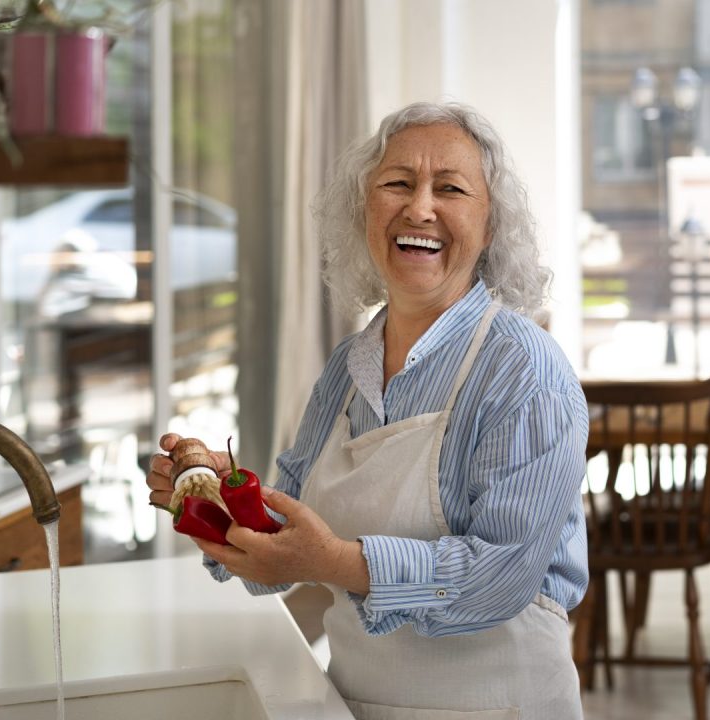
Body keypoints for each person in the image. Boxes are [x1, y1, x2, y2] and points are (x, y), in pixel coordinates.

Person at [147, 101, 589, 720]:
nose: (420, 208)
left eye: (451, 189)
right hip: (354, 705)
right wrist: (219, 503)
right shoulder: (346, 371)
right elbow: (276, 556)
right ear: (363, 211)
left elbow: (500, 578)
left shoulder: (526, 371)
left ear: (490, 225)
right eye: (397, 183)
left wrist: (332, 561)